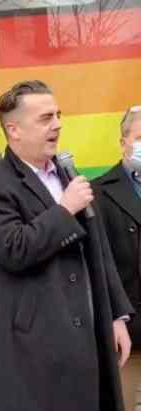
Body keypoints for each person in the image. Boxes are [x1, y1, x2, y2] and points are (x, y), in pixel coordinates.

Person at [0, 80, 133, 411]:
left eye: (58, 115)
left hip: (89, 336)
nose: (57, 124)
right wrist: (63, 210)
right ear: (13, 129)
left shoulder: (67, 173)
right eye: (45, 118)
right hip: (36, 344)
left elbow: (98, 250)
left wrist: (116, 316)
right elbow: (14, 249)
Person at [92, 105, 141, 344]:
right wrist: (114, 316)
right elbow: (97, 264)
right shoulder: (98, 192)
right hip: (128, 329)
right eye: (140, 139)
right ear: (123, 144)